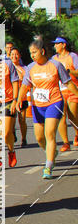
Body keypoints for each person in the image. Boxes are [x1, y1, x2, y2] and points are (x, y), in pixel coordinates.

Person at [17, 36, 78, 178]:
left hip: (54, 102)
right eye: (30, 53)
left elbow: (68, 83)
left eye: (34, 52)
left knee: (49, 134)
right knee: (39, 138)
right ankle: (51, 152)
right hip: (38, 105)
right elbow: (25, 86)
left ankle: (49, 166)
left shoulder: (55, 65)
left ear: (42, 51)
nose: (32, 55)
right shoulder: (30, 68)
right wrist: (19, 99)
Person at [52, 36, 78, 150]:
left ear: (64, 44)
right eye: (55, 44)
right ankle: (66, 142)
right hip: (60, 91)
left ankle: (77, 134)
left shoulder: (73, 56)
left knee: (72, 117)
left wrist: (68, 71)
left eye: (57, 44)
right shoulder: (53, 58)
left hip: (73, 89)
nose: (55, 46)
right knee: (61, 116)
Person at [10, 46, 28, 147]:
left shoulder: (24, 68)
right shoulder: (7, 67)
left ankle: (24, 139)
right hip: (11, 98)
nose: (14, 56)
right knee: (11, 121)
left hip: (22, 98)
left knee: (22, 120)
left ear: (19, 56)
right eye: (12, 54)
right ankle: (12, 133)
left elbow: (26, 79)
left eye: (16, 54)